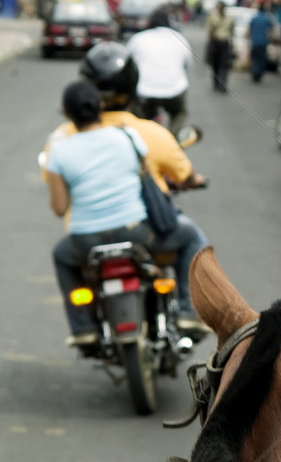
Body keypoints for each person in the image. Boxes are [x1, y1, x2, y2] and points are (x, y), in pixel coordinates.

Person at [43, 44, 209, 328]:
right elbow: (181, 175)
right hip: (137, 234)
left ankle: (83, 327)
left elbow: (59, 206)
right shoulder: (132, 137)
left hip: (84, 243)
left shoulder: (58, 144)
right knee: (192, 237)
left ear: (67, 113)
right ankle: (185, 309)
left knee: (61, 255)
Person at [126, 7, 191, 135]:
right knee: (179, 112)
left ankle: (141, 139)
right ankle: (173, 140)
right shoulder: (179, 38)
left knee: (138, 117)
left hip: (144, 91)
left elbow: (127, 64)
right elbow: (187, 66)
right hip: (174, 90)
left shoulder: (138, 38)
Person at [205, 0, 235, 93]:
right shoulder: (213, 17)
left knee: (224, 65)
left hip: (224, 42)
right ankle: (216, 83)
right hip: (215, 42)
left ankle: (222, 84)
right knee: (215, 64)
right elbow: (209, 31)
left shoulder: (229, 18)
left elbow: (231, 32)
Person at [248, 0, 279, 83]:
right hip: (263, 42)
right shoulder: (267, 18)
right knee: (261, 59)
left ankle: (255, 73)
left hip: (255, 42)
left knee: (254, 58)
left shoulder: (254, 18)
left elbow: (249, 30)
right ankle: (258, 74)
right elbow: (272, 28)